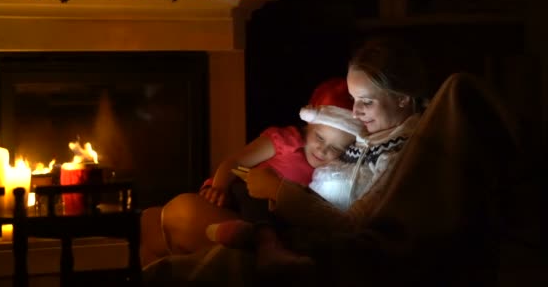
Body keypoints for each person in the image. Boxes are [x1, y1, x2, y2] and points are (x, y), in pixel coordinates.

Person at [142, 38, 519, 287]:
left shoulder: (402, 154)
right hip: (295, 225)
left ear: (404, 100)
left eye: (365, 101)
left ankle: (261, 244)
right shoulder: (366, 138)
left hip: (320, 243)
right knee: (156, 221)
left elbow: (356, 225)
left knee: (179, 218)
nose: (354, 112)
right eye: (353, 99)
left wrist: (279, 192)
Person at [140, 77, 364, 266]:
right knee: (149, 220)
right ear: (309, 126)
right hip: (237, 197)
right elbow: (236, 161)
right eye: (320, 138)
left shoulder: (332, 175)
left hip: (268, 220)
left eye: (335, 148)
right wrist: (217, 187)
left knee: (162, 225)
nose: (323, 150)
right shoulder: (285, 140)